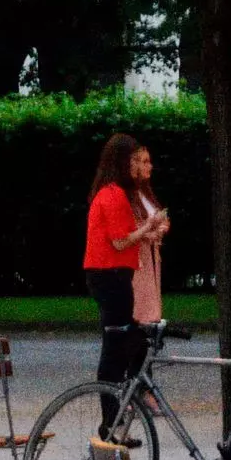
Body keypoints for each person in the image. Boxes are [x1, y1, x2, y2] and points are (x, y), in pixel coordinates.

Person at [83, 133, 168, 425]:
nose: (137, 167)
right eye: (133, 160)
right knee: (117, 344)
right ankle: (112, 418)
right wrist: (147, 228)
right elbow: (120, 242)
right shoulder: (113, 194)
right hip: (111, 275)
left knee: (125, 338)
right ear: (122, 162)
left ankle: (123, 406)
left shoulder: (110, 192)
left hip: (114, 274)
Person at [125, 139, 168, 326]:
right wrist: (148, 232)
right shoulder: (127, 195)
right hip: (138, 260)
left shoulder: (146, 193)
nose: (149, 166)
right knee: (140, 306)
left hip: (151, 256)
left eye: (148, 161)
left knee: (151, 303)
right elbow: (128, 228)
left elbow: (159, 218)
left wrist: (162, 227)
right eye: (144, 162)